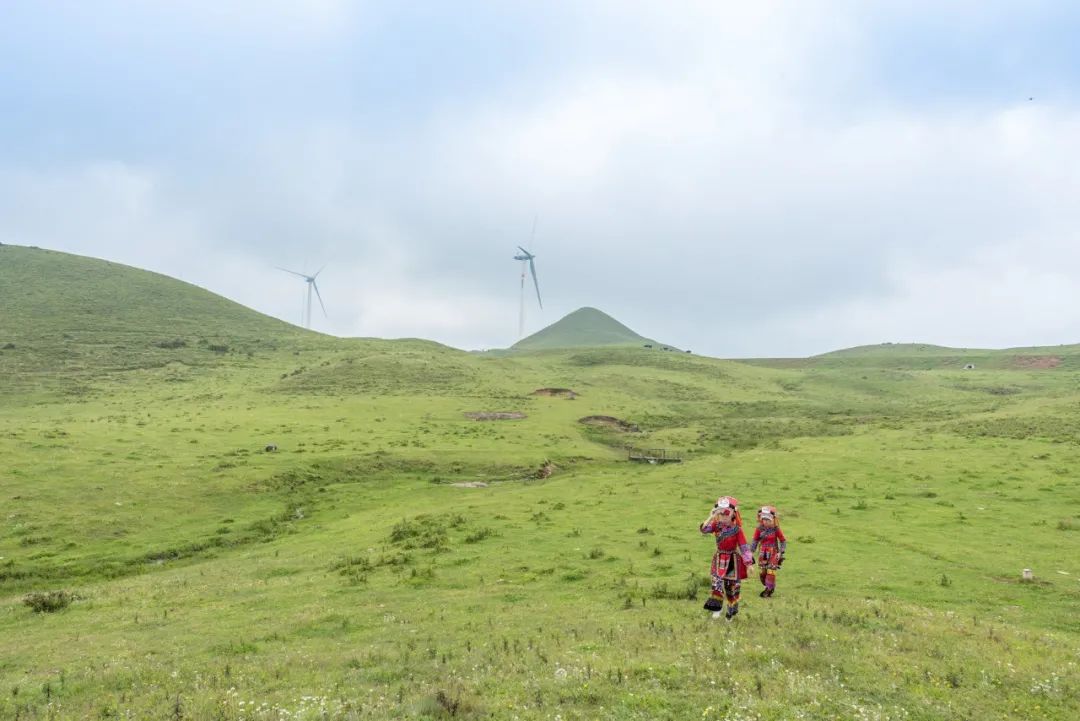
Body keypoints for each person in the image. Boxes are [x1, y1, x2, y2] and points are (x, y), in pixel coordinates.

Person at [699, 495, 753, 619]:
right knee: (716, 582)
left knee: (731, 588)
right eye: (721, 513)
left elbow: (744, 547)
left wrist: (749, 564)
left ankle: (730, 611)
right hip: (719, 558)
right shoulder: (715, 525)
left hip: (732, 560)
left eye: (726, 513)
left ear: (733, 513)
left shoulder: (737, 530)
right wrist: (711, 516)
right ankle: (717, 608)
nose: (723, 516)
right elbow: (703, 529)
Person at [751, 505, 787, 597]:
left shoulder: (776, 529)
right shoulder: (759, 529)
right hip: (763, 553)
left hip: (774, 553)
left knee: (771, 571)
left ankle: (768, 590)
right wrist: (751, 552)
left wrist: (781, 552)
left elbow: (783, 540)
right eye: (764, 520)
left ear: (773, 520)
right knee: (763, 573)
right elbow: (755, 540)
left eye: (768, 520)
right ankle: (769, 586)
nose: (766, 522)